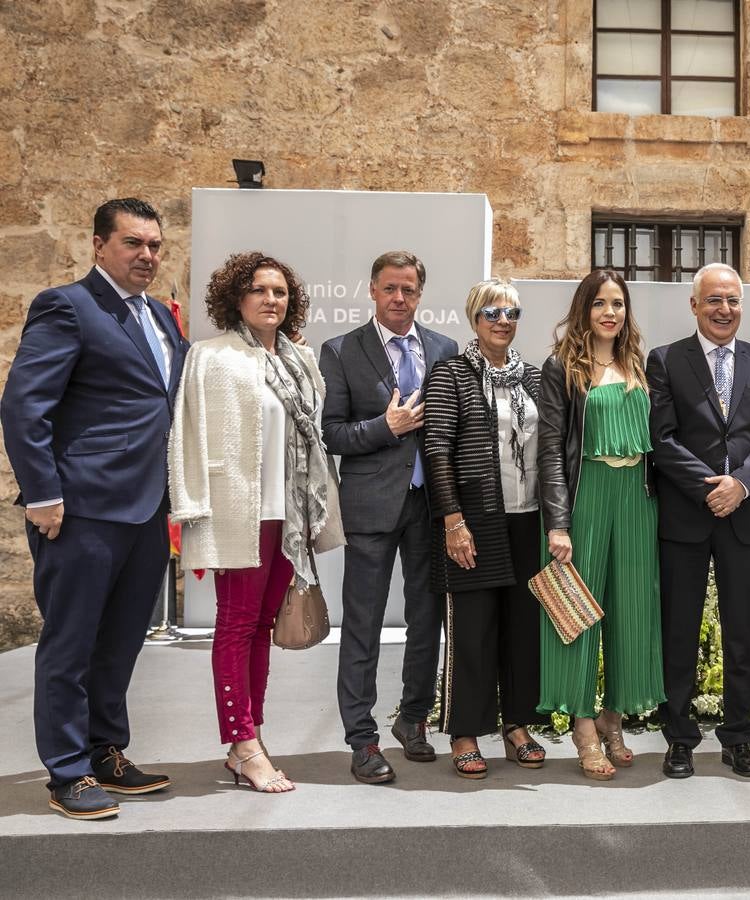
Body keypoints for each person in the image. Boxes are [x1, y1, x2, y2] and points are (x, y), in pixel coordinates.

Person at [1, 198, 188, 819]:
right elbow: (25, 407)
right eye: (133, 243)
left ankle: (107, 749)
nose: (147, 256)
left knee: (121, 642)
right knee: (71, 643)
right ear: (99, 245)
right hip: (81, 508)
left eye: (155, 245)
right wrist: (45, 494)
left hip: (145, 507)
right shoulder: (67, 306)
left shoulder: (160, 316)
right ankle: (67, 771)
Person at [170, 251, 344, 793]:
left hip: (287, 516)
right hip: (236, 511)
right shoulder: (212, 355)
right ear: (236, 299)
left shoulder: (302, 361)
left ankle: (249, 739)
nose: (272, 300)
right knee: (237, 623)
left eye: (280, 292)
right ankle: (244, 742)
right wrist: (190, 506)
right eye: (260, 290)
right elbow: (187, 434)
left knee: (263, 628)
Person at [319, 251, 459, 785]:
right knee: (363, 624)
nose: (399, 298)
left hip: (431, 508)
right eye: (389, 289)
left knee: (428, 621)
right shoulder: (342, 351)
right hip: (372, 508)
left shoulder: (444, 349)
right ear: (372, 292)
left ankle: (414, 719)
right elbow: (332, 433)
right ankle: (362, 738)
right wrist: (386, 425)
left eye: (409, 290)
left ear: (420, 295)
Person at [646, 262, 750, 779]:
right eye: (713, 300)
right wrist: (712, 487)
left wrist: (742, 484)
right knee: (679, 632)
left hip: (745, 517)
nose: (723, 310)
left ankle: (738, 738)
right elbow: (661, 438)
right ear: (694, 305)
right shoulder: (664, 360)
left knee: (741, 635)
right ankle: (679, 738)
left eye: (731, 300)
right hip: (686, 516)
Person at [537, 269, 665, 780]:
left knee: (632, 611)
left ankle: (614, 718)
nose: (610, 312)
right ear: (583, 310)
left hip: (637, 499)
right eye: (600, 304)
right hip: (586, 496)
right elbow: (551, 449)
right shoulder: (562, 367)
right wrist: (558, 523)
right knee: (578, 617)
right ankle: (584, 728)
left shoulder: (639, 364)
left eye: (618, 303)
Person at [423, 278, 548, 778]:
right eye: (493, 312)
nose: (503, 321)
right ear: (474, 318)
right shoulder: (450, 374)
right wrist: (453, 520)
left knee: (522, 632)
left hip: (528, 521)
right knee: (471, 633)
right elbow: (436, 451)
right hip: (474, 524)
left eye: (511, 313)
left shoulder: (535, 379)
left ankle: (517, 725)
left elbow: (552, 453)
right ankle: (465, 733)